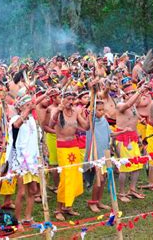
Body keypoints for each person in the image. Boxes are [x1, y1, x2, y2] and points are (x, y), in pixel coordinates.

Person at [49, 91, 89, 221]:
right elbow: (50, 125)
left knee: (75, 177)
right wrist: (57, 112)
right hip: (62, 147)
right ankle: (58, 209)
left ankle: (68, 206)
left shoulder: (76, 112)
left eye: (72, 99)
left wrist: (90, 114)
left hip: (74, 146)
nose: (71, 101)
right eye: (68, 99)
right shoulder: (57, 111)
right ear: (63, 99)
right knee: (65, 178)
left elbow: (86, 127)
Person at [6, 95, 40, 226]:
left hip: (32, 161)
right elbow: (16, 125)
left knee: (32, 190)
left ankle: (28, 217)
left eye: (29, 105)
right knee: (20, 192)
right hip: (21, 160)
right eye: (26, 106)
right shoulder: (15, 118)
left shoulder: (32, 119)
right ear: (20, 107)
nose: (29, 108)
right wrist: (27, 111)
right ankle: (17, 221)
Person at [115, 84, 147, 202]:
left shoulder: (134, 107)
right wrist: (139, 91)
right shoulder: (120, 105)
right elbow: (127, 104)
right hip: (123, 139)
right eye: (131, 93)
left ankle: (132, 189)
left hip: (133, 138)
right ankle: (121, 193)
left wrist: (139, 137)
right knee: (124, 167)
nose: (134, 96)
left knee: (137, 164)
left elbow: (134, 123)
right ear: (125, 95)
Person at [84, 99, 110, 212]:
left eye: (103, 109)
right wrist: (90, 113)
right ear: (93, 110)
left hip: (104, 152)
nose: (102, 112)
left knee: (103, 178)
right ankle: (92, 202)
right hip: (95, 153)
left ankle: (99, 201)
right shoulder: (91, 120)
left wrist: (122, 132)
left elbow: (109, 133)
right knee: (98, 178)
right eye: (99, 110)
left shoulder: (104, 120)